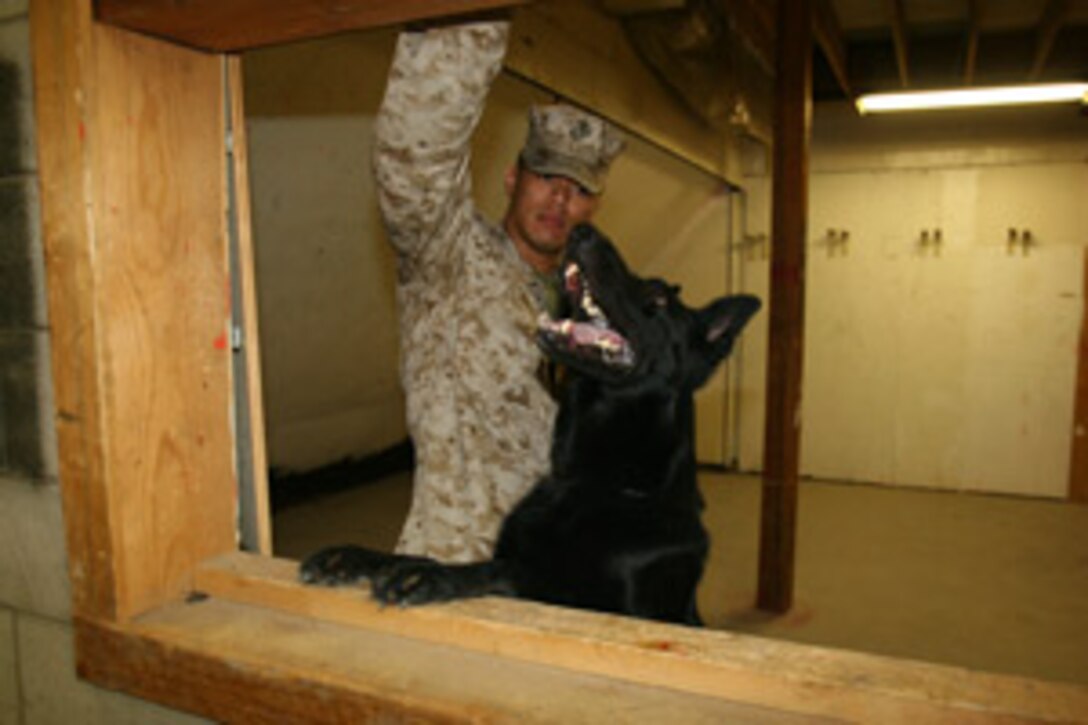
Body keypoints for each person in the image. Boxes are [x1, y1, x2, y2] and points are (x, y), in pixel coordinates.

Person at [373, 18, 625, 563]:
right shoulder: (450, 258)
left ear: (593, 209)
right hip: (460, 566)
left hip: (556, 568)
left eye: (580, 189)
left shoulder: (589, 312)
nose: (560, 198)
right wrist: (471, 23)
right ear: (513, 178)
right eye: (546, 176)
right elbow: (418, 157)